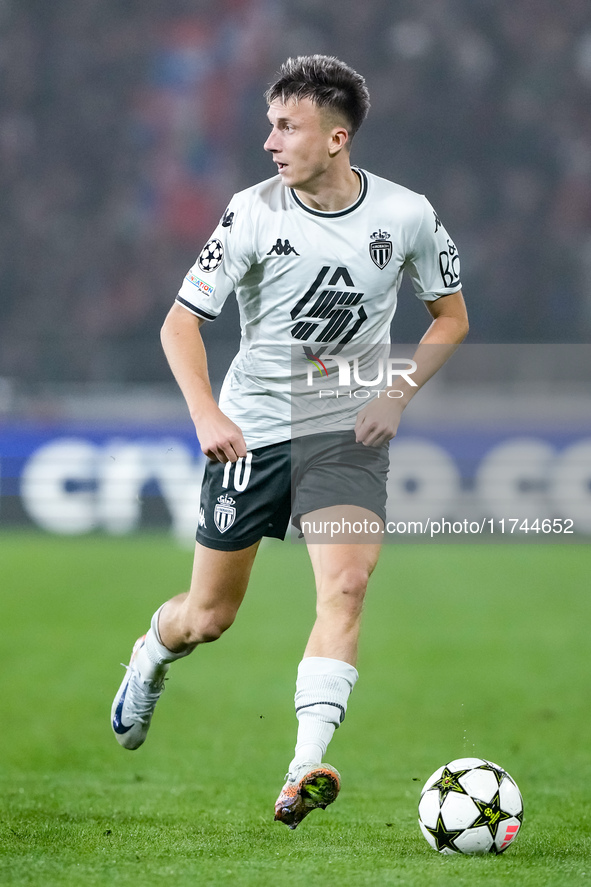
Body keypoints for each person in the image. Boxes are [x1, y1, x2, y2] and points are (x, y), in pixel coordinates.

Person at [111, 54, 469, 829]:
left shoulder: (406, 215)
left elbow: (450, 316)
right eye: (269, 125)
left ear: (336, 137)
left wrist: (396, 394)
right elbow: (181, 323)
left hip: (346, 437)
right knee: (208, 616)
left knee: (346, 586)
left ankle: (302, 767)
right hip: (253, 435)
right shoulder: (251, 212)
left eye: (286, 126)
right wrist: (207, 415)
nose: (269, 141)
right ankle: (152, 651)